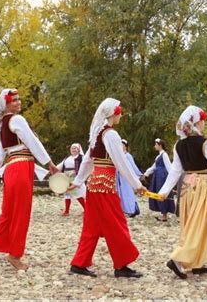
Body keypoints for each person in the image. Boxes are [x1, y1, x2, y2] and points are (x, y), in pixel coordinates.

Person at [68, 98, 147, 278]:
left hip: (94, 185)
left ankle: (79, 263)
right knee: (117, 223)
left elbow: (88, 160)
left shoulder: (97, 133)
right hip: (105, 186)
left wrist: (80, 181)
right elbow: (120, 162)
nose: (121, 115)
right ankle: (121, 264)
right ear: (114, 113)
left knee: (92, 226)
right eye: (120, 112)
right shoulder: (111, 134)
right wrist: (137, 184)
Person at [0, 88, 58, 270]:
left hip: (11, 169)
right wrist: (49, 162)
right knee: (21, 212)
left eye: (18, 99)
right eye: (14, 100)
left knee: (8, 211)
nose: (18, 102)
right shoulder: (17, 119)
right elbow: (32, 141)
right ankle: (15, 255)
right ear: (6, 104)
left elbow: (1, 153)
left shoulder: (3, 124)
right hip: (22, 168)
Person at [158, 105, 207, 279]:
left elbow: (176, 170)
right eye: (202, 121)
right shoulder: (205, 144)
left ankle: (197, 263)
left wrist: (164, 191)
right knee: (200, 224)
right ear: (196, 123)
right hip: (203, 185)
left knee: (190, 223)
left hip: (187, 186)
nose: (203, 124)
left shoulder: (179, 145)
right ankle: (178, 259)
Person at [144, 138, 175, 221]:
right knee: (158, 192)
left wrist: (172, 177)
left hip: (162, 176)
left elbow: (169, 166)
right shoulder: (158, 156)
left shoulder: (164, 155)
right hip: (158, 176)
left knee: (162, 192)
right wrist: (146, 173)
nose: (155, 146)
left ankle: (165, 215)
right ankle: (163, 213)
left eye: (156, 145)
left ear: (160, 145)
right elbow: (154, 166)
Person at [57, 143, 86, 216]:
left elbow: (84, 167)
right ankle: (66, 211)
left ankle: (86, 209)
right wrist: (54, 169)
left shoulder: (81, 158)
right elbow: (60, 166)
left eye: (75, 148)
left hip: (75, 177)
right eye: (72, 148)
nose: (73, 149)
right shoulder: (67, 158)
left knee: (77, 193)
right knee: (67, 194)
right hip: (66, 177)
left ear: (78, 150)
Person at [116, 139, 142, 217]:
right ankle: (124, 209)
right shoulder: (119, 155)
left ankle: (132, 209)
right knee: (121, 194)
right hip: (119, 177)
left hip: (126, 177)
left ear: (126, 146)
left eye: (122, 145)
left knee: (128, 193)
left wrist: (139, 174)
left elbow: (133, 166)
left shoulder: (128, 155)